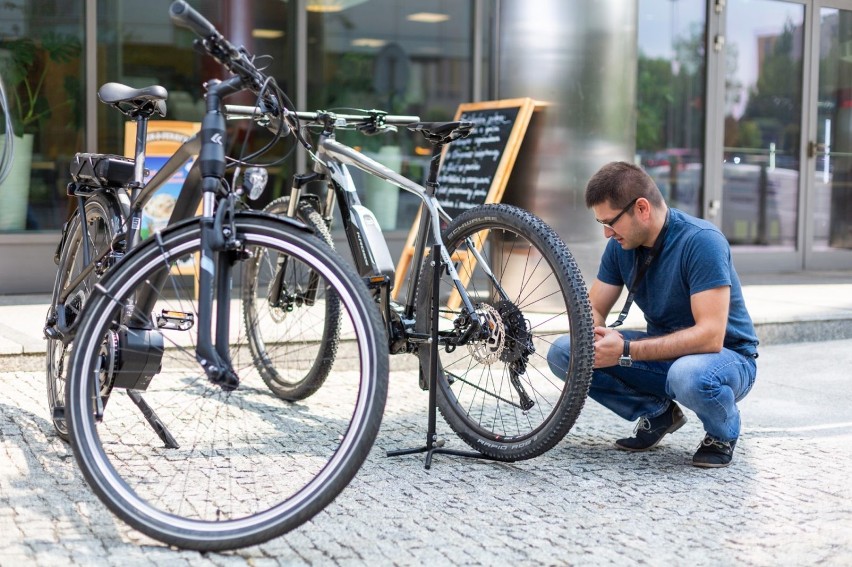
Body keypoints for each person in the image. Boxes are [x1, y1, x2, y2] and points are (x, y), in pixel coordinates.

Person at [547, 161, 758, 468]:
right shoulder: (621, 247)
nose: (606, 233)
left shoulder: (701, 241)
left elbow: (711, 336)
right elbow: (592, 308)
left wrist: (627, 350)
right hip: (664, 356)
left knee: (687, 374)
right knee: (566, 352)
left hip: (726, 358)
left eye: (611, 222)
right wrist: (595, 336)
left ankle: (721, 433)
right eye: (601, 224)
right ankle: (659, 413)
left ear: (642, 208)